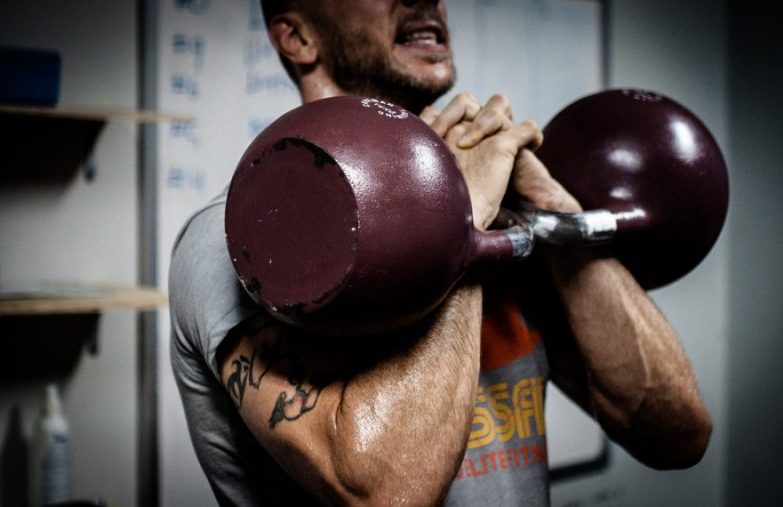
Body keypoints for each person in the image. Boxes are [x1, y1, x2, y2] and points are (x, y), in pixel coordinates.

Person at [169, 1, 713, 505]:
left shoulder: (505, 208)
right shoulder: (239, 244)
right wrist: (461, 224)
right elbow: (384, 493)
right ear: (298, 36)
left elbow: (676, 435)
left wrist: (553, 214)